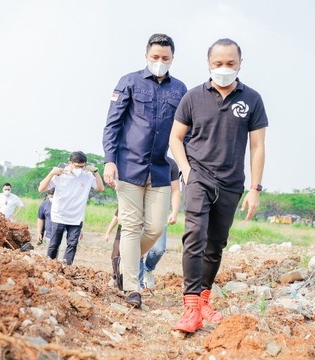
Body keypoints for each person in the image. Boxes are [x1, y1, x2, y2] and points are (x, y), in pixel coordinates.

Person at [169, 38, 268, 333]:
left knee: (215, 244)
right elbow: (175, 138)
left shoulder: (252, 99)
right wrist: (186, 171)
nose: (224, 69)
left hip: (231, 183)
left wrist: (255, 188)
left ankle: (204, 298)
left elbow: (258, 146)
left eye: (230, 64)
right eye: (218, 64)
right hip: (198, 175)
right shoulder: (192, 97)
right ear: (209, 64)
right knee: (195, 235)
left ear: (240, 63)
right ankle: (190, 308)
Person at [102, 33, 187, 308]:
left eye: (165, 58)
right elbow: (112, 124)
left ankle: (123, 263)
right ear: (146, 56)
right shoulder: (129, 82)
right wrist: (109, 160)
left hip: (161, 169)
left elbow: (186, 131)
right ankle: (131, 288)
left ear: (172, 58)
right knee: (130, 227)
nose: (159, 62)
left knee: (154, 228)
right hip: (128, 167)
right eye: (155, 57)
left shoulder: (180, 89)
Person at [104, 156, 181, 291]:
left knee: (158, 249)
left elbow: (175, 190)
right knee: (133, 244)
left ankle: (147, 269)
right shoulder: (135, 159)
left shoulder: (170, 164)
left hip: (156, 213)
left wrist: (174, 212)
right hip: (136, 214)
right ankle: (135, 286)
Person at [38, 151, 104, 265]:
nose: (79, 169)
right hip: (59, 215)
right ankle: (49, 266)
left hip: (76, 218)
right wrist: (51, 173)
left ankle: (66, 268)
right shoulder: (60, 174)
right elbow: (41, 188)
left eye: (82, 166)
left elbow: (100, 188)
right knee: (54, 244)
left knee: (72, 245)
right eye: (77, 166)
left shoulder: (87, 175)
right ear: (70, 163)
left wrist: (96, 172)